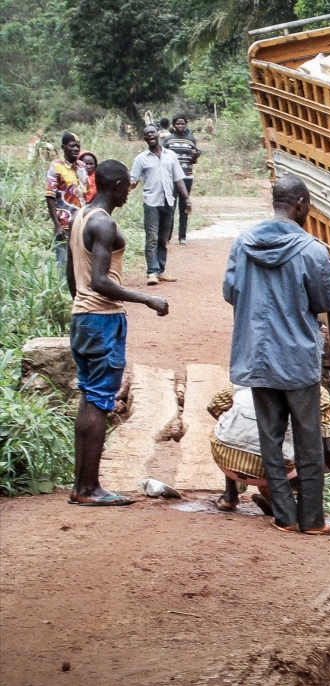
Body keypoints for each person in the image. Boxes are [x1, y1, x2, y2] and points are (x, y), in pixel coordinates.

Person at [223, 175, 330, 535]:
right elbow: (325, 301)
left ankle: (285, 518)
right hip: (298, 358)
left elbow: (230, 291)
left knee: (269, 438)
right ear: (301, 204)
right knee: (308, 440)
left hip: (257, 355)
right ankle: (314, 519)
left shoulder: (243, 244)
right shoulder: (312, 250)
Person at [65, 159, 170, 506]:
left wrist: (84, 304)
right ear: (116, 186)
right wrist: (148, 299)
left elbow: (74, 278)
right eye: (127, 186)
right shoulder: (104, 224)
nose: (129, 192)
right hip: (102, 320)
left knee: (89, 398)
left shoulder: (80, 216)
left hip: (82, 318)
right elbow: (100, 280)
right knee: (100, 401)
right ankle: (90, 488)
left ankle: (81, 486)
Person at [207, 383, 330, 514]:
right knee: (314, 459)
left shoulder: (249, 378)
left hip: (225, 459)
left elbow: (214, 407)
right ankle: (287, 507)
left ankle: (230, 495)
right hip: (272, 472)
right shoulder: (316, 393)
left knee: (232, 428)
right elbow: (329, 448)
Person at [130, 124, 192, 285]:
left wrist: (186, 198)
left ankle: (161, 270)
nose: (150, 135)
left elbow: (178, 178)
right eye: (146, 134)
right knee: (152, 237)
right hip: (151, 202)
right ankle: (152, 272)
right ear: (144, 138)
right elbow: (133, 180)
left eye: (152, 132)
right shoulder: (141, 159)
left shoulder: (170, 155)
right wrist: (125, 186)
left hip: (168, 200)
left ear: (158, 134)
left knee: (164, 238)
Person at [44, 132, 87, 269]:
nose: (76, 149)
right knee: (63, 262)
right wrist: (57, 225)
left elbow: (87, 193)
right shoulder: (56, 167)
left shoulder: (82, 166)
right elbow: (50, 196)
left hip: (81, 222)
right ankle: (63, 290)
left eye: (78, 146)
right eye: (72, 146)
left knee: (81, 261)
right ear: (63, 147)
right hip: (64, 223)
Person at [163, 115, 201, 245]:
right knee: (170, 207)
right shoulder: (168, 140)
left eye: (182, 124)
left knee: (184, 205)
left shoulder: (191, 140)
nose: (180, 126)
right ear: (173, 125)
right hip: (171, 178)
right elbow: (162, 157)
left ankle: (182, 237)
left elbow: (194, 160)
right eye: (178, 124)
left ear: (186, 125)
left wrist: (195, 156)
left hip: (186, 176)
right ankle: (167, 236)